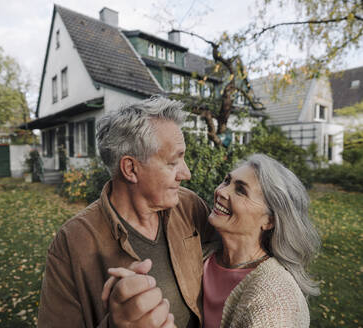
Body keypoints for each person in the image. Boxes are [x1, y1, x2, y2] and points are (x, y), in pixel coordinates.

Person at [38, 97, 218, 328]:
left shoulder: (191, 206)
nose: (186, 174)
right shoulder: (72, 242)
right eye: (173, 163)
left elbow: (227, 261)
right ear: (131, 169)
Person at [203, 153, 320, 328]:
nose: (221, 191)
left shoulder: (275, 300)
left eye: (241, 190)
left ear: (269, 221)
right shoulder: (204, 252)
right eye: (227, 181)